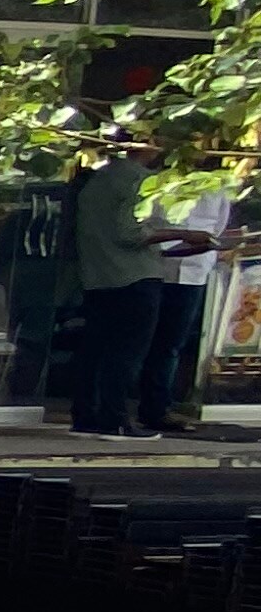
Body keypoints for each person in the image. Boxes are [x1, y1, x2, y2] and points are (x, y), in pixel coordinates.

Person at [67, 148, 214, 438]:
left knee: (96, 350)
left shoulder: (97, 180)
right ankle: (114, 418)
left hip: (99, 277)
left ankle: (87, 414)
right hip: (134, 279)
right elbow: (130, 234)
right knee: (126, 352)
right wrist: (183, 234)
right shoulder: (140, 180)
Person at [149, 185, 236, 432]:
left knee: (171, 344)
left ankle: (157, 408)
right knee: (143, 342)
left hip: (194, 270)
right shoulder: (162, 184)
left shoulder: (217, 188)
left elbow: (218, 226)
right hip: (154, 268)